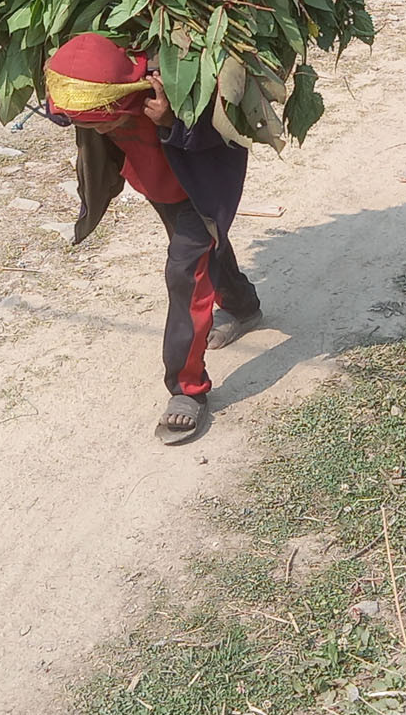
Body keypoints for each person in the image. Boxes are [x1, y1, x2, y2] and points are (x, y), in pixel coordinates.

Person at [45, 31, 261, 445]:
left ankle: (187, 391)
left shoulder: (178, 83)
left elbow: (234, 130)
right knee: (203, 258)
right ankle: (244, 305)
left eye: (103, 119)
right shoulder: (90, 99)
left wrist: (173, 122)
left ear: (123, 98)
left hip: (202, 188)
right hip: (157, 186)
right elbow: (63, 109)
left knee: (184, 274)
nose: (99, 127)